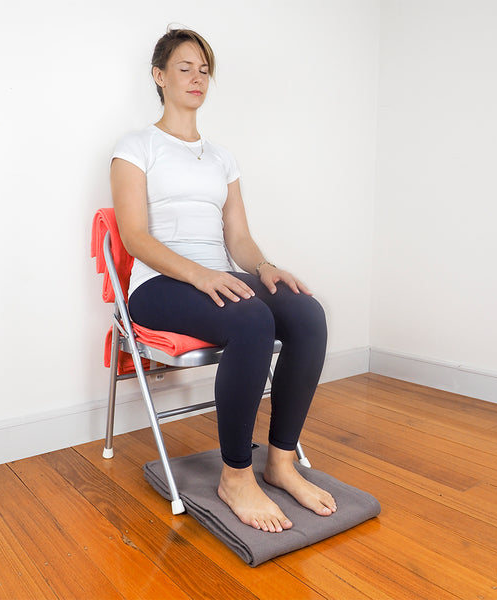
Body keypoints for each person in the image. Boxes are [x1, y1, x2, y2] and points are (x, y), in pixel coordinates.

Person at [110, 27, 336, 533]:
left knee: (306, 313)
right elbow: (134, 238)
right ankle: (235, 476)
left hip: (217, 276)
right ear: (159, 76)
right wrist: (201, 275)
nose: (196, 78)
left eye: (204, 70)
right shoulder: (135, 145)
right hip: (159, 287)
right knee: (252, 321)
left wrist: (264, 267)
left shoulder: (221, 156)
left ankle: (279, 463)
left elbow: (239, 238)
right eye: (184, 68)